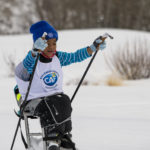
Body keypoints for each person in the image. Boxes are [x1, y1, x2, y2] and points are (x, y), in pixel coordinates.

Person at [15, 20, 106, 150]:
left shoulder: (57, 57)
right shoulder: (30, 62)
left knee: (64, 100)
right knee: (49, 104)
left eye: (54, 43)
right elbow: (26, 66)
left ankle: (63, 136)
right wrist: (34, 51)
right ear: (38, 44)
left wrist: (92, 48)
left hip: (53, 100)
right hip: (32, 102)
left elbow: (75, 56)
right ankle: (51, 140)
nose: (52, 47)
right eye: (47, 44)